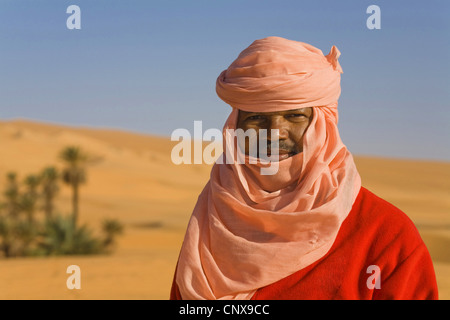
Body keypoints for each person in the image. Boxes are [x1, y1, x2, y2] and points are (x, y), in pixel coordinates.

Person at [170, 36, 438, 300]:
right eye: (256, 117)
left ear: (324, 125)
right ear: (235, 128)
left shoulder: (386, 236)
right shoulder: (211, 221)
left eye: (294, 115)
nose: (274, 132)